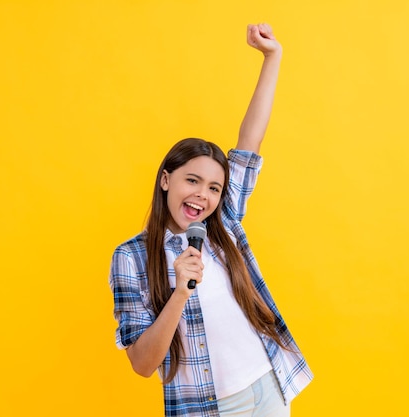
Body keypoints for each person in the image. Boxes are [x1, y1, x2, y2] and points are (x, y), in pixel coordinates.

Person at [109, 23, 312, 417]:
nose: (204, 195)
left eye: (215, 188)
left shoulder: (225, 223)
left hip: (268, 385)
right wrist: (180, 293)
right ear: (166, 180)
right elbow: (142, 362)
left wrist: (273, 58)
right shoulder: (130, 258)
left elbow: (251, 138)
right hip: (211, 407)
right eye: (192, 180)